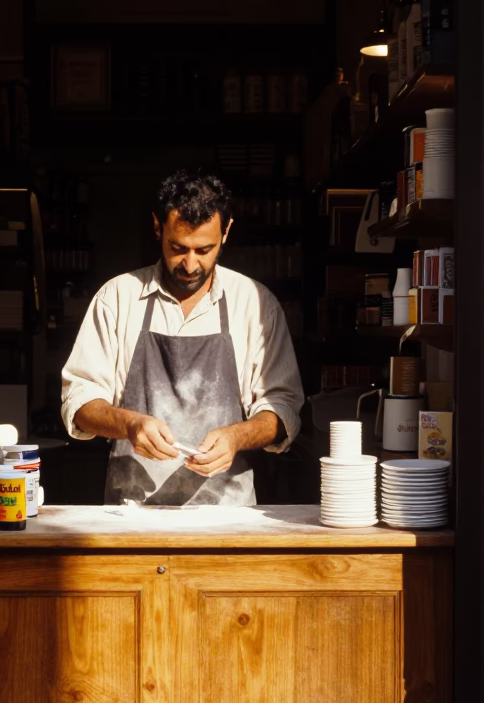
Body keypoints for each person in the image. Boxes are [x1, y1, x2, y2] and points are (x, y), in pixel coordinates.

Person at [61, 170, 304, 506]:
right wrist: (130, 423)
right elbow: (79, 401)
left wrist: (237, 436)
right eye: (178, 248)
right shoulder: (117, 298)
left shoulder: (255, 304)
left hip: (228, 517)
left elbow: (283, 409)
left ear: (227, 231)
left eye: (204, 250)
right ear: (158, 227)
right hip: (132, 515)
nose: (190, 264)